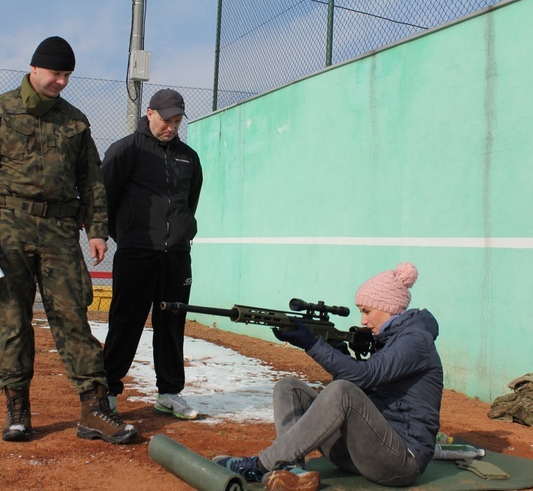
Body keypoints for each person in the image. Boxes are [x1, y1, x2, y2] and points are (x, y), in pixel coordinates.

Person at [0, 36, 138, 445]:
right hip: (9, 227)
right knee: (14, 320)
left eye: (67, 75)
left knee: (73, 317)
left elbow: (91, 181)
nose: (61, 82)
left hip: (58, 231)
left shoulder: (75, 121)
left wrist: (96, 230)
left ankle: (94, 408)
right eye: (56, 73)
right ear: (34, 69)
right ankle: (17, 409)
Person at [215, 262, 443, 489]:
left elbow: (364, 377)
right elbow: (369, 392)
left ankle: (262, 464)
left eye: (367, 311)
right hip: (363, 452)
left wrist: (312, 344)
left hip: (400, 462)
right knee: (288, 387)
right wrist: (339, 354)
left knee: (342, 390)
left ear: (389, 307)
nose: (363, 320)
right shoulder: (389, 339)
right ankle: (292, 471)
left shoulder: (415, 341)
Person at [101, 89, 204, 419]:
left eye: (176, 122)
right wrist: (125, 235)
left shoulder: (189, 158)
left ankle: (169, 393)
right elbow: (106, 197)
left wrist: (181, 234)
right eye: (165, 120)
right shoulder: (126, 150)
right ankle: (108, 390)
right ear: (149, 113)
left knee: (172, 324)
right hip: (136, 253)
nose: (170, 128)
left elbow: (190, 202)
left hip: (176, 256)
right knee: (126, 322)